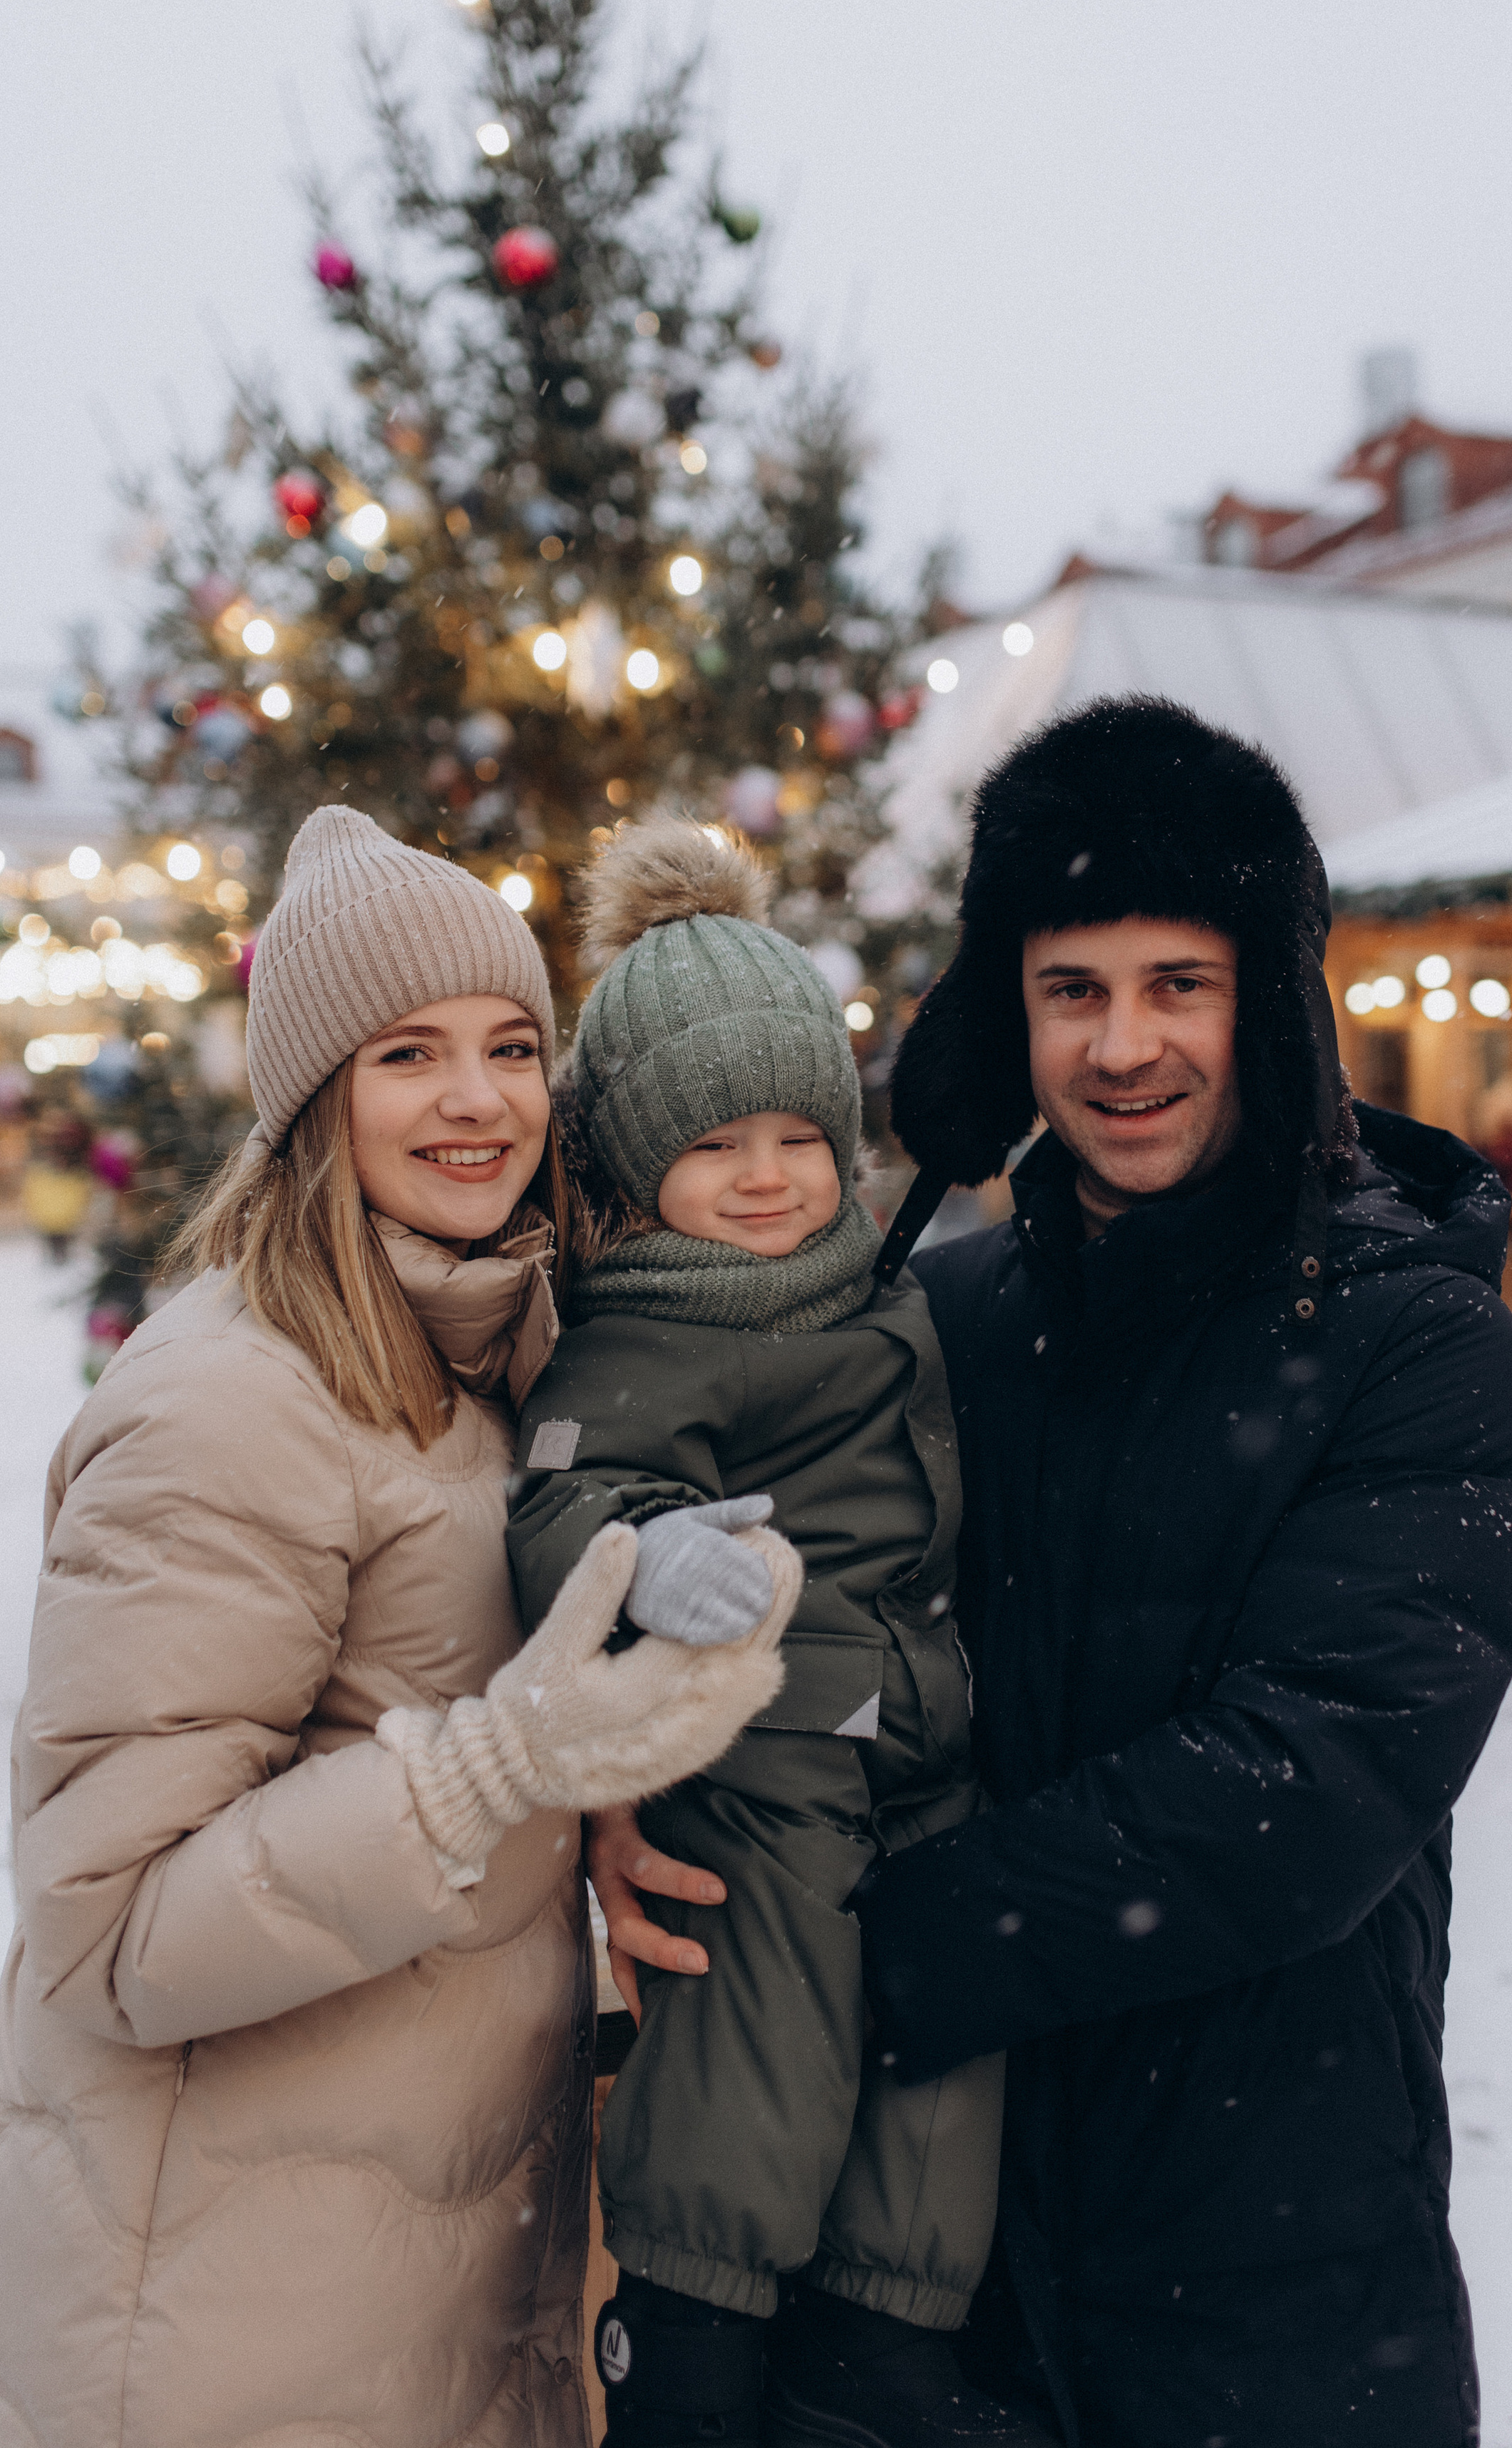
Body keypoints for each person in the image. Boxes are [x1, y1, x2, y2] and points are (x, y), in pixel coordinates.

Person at [600, 701, 1512, 2448]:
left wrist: (867, 1952)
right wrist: (635, 1791)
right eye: (1070, 990)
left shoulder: (1413, 1345)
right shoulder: (941, 1323)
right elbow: (777, 1628)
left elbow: (1309, 1783)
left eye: (1177, 983)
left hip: (1269, 2262)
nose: (1123, 1047)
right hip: (931, 2267)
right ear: (1007, 1015)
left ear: (1267, 1004)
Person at [0, 806, 799, 2448]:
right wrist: (496, 1767)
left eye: (510, 1047)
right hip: (213, 2339)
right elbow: (110, 1928)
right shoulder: (227, 1404)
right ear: (311, 1100)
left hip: (401, 2297)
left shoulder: (489, 1357)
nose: (478, 1099)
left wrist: (592, 1805)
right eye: (408, 1054)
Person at [505, 819, 1046, 2448]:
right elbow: (561, 1493)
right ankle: (687, 2335)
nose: (767, 1175)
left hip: (920, 1752)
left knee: (941, 2051)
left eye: (799, 1136)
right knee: (759, 2053)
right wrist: (648, 1555)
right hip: (760, 1773)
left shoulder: (878, 1284)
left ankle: (887, 2336)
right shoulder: (643, 1324)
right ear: (632, 1168)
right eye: (716, 1143)